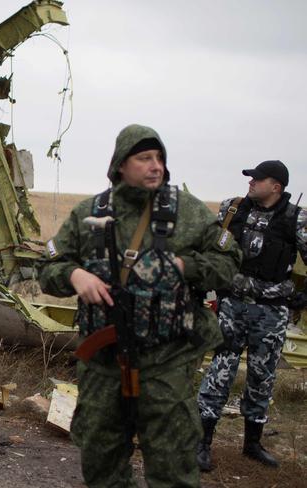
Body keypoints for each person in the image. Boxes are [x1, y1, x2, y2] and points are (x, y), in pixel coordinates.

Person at [38, 124, 241, 487]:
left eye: (160, 158)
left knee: (172, 461)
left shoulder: (188, 213)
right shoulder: (89, 214)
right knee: (101, 457)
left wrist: (186, 266)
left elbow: (228, 262)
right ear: (120, 165)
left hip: (168, 360)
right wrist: (75, 276)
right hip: (103, 362)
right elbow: (48, 267)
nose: (156, 166)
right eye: (144, 158)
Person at [197, 160, 306, 470]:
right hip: (232, 305)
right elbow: (211, 250)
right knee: (220, 371)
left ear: (276, 186)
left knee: (262, 376)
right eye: (251, 178)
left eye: (258, 179)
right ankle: (202, 442)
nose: (251, 182)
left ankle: (252, 444)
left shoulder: (295, 219)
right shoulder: (232, 209)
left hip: (271, 312)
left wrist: (302, 297)